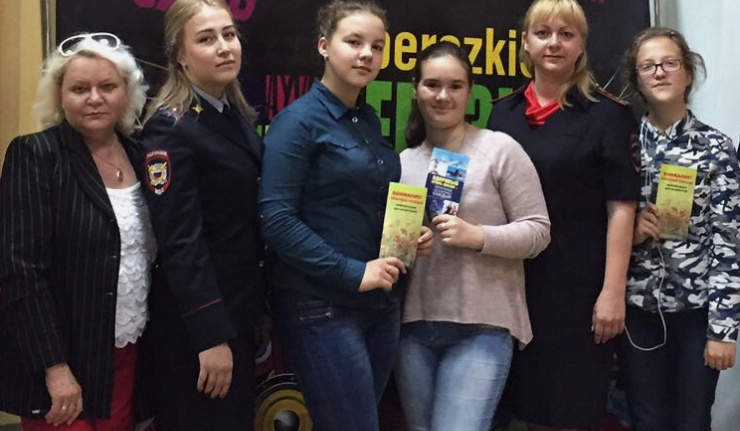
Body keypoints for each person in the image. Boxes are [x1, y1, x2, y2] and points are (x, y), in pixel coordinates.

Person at [258, 1, 433, 430]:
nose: (366, 54)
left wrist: (410, 234)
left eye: (377, 46)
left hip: (380, 304)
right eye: (353, 42)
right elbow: (276, 219)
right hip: (321, 305)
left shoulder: (367, 120)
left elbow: (363, 202)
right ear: (324, 46)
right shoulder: (297, 122)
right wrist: (352, 272)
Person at [486, 0, 640, 429]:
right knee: (515, 406)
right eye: (543, 33)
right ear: (526, 43)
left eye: (566, 34)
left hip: (579, 291)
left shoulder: (609, 115)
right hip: (512, 286)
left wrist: (612, 292)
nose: (554, 43)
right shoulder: (502, 113)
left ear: (581, 45)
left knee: (571, 409)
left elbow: (622, 209)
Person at [0, 32, 155, 431]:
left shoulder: (142, 155)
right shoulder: (35, 154)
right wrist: (54, 368)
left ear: (127, 92)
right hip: (60, 359)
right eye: (79, 89)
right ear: (59, 96)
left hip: (125, 351)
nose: (94, 98)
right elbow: (20, 271)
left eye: (107, 87)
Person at [394, 41, 551, 431]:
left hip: (482, 328)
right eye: (432, 85)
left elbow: (538, 231)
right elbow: (392, 250)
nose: (443, 96)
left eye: (455, 86)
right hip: (413, 329)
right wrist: (407, 244)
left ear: (470, 92)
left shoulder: (499, 150)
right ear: (416, 90)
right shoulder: (403, 163)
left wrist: (477, 236)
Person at [136, 0, 266, 429]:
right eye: (206, 39)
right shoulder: (169, 128)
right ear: (180, 55)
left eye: (229, 34)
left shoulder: (232, 115)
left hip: (237, 314)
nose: (224, 47)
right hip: (196, 330)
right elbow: (180, 243)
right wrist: (210, 335)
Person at [619, 27, 740, 431]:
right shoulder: (621, 145)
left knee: (692, 421)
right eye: (648, 66)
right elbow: (594, 225)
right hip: (636, 310)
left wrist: (723, 330)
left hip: (695, 314)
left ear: (687, 73)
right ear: (637, 79)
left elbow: (728, 241)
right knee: (645, 421)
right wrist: (630, 231)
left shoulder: (716, 148)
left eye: (669, 63)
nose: (659, 72)